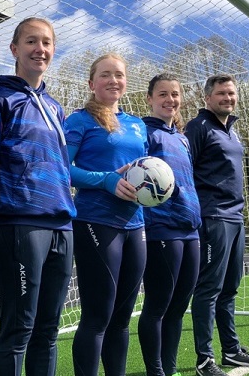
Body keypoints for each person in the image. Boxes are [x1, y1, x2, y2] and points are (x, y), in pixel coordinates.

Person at [0, 17, 76, 376]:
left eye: (47, 42)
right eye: (31, 42)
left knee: (48, 330)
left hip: (62, 223)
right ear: (14, 49)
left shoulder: (54, 107)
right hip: (20, 222)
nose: (40, 49)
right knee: (19, 326)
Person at [63, 53, 148, 376]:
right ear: (91, 83)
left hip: (136, 224)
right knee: (98, 316)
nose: (114, 80)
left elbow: (145, 171)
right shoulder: (80, 120)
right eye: (106, 75)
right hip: (96, 222)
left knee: (123, 318)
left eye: (119, 75)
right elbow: (64, 170)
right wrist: (107, 180)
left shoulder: (137, 125)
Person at [184, 74, 249, 376]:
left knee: (230, 288)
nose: (228, 98)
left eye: (231, 93)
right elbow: (184, 172)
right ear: (207, 98)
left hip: (236, 217)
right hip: (213, 217)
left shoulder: (233, 131)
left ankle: (232, 351)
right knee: (209, 288)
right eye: (221, 93)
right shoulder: (198, 128)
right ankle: (204, 359)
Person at [138, 73, 202, 376]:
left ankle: (171, 368)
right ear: (150, 98)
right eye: (162, 94)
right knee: (158, 306)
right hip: (160, 227)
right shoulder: (142, 133)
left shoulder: (182, 137)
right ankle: (156, 371)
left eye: (175, 94)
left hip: (191, 228)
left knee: (178, 308)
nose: (170, 100)